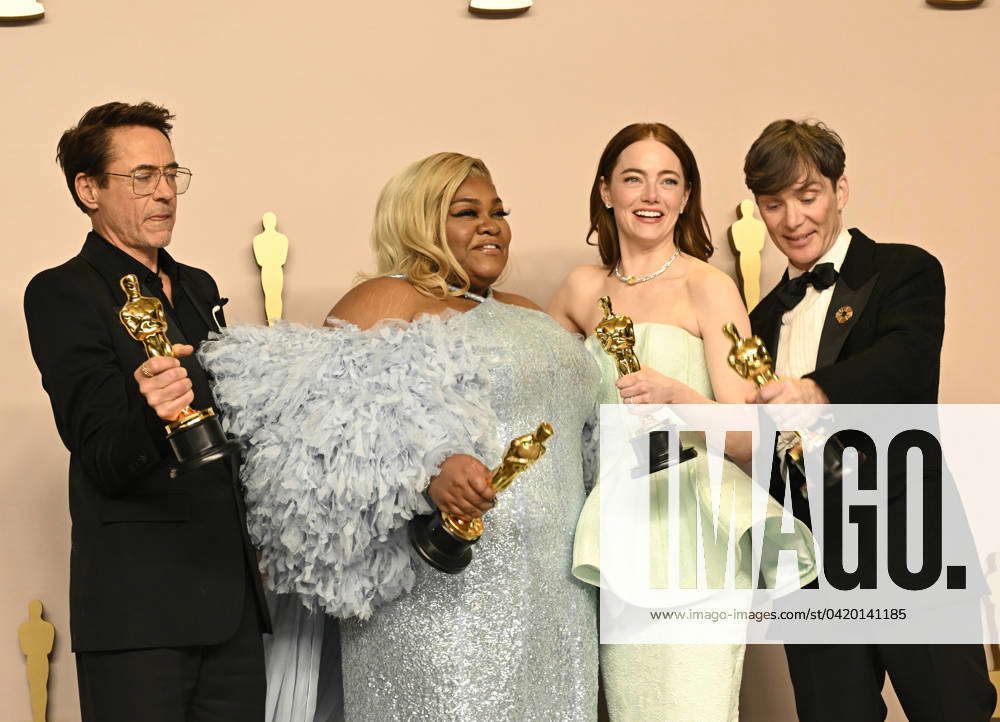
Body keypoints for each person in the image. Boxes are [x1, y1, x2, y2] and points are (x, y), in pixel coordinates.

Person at [200, 152, 599, 720]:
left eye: (498, 211)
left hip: (556, 597)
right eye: (467, 212)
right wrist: (426, 469)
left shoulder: (528, 312)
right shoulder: (389, 299)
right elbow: (309, 438)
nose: (491, 225)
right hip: (442, 603)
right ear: (419, 223)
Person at [548, 122, 817, 721]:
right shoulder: (579, 291)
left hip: (694, 530)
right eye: (634, 178)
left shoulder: (709, 287)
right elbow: (541, 405)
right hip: (613, 531)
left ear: (686, 195)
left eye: (668, 180)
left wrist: (678, 394)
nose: (651, 194)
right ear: (606, 191)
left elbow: (750, 439)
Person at [23, 101, 270, 722]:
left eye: (170, 175)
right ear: (88, 189)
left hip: (231, 609)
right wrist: (149, 409)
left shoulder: (197, 286)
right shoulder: (62, 291)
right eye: (141, 177)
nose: (163, 193)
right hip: (138, 614)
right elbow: (100, 450)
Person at [744, 118, 996, 721]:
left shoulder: (904, 270)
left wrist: (812, 391)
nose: (792, 219)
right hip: (807, 553)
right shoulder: (758, 320)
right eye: (773, 204)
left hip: (909, 537)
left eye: (807, 196)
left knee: (953, 709)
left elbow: (906, 366)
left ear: (840, 189)